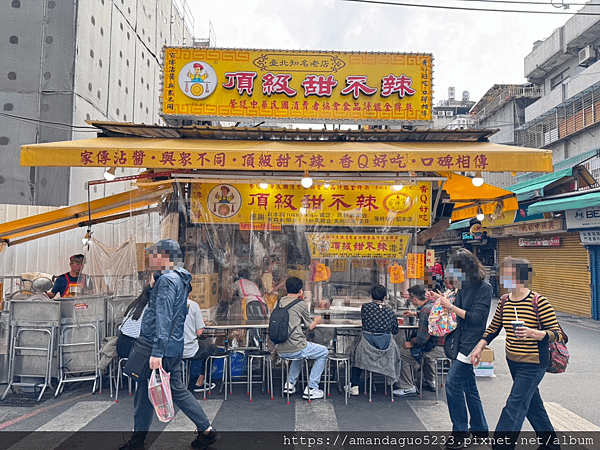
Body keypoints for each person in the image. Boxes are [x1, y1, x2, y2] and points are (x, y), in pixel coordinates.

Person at [118, 239, 218, 450]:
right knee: (172, 390)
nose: (152, 259)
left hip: (157, 346)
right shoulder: (180, 278)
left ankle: (138, 442)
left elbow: (164, 317)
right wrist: (152, 285)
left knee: (149, 391)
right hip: (173, 345)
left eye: (155, 255)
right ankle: (206, 430)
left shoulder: (167, 281)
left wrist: (157, 351)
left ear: (165, 256)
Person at [471, 257, 562, 450]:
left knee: (515, 404)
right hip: (513, 361)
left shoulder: (539, 302)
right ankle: (551, 445)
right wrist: (479, 347)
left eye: (508, 274)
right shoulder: (504, 301)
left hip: (534, 362)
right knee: (533, 404)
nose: (503, 278)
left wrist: (534, 333)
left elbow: (558, 334)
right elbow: (493, 328)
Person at [439, 249, 492, 449]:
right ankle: (479, 429)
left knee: (452, 384)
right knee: (469, 386)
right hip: (460, 341)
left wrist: (450, 307)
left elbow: (477, 319)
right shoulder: (462, 287)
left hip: (472, 343)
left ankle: (460, 433)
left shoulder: (484, 288)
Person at [274, 276, 328, 400]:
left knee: (300, 353)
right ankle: (312, 388)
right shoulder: (301, 303)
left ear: (286, 289)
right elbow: (310, 326)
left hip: (280, 347)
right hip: (295, 347)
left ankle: (290, 383)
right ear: (300, 291)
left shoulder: (279, 301)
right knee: (323, 352)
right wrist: (317, 319)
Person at [345, 284, 399, 396]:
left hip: (366, 348)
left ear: (371, 296)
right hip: (386, 349)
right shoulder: (390, 311)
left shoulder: (365, 307)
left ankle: (354, 385)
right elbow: (395, 330)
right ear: (385, 297)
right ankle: (392, 382)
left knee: (357, 353)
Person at [395, 284, 445, 396]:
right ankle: (431, 381)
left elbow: (422, 339)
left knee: (403, 354)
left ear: (415, 299)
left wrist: (411, 344)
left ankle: (407, 386)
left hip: (436, 348)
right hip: (444, 344)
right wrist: (414, 313)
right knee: (426, 353)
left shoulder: (425, 310)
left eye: (411, 300)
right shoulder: (432, 305)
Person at [184, 296, 217, 393]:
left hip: (173, 350)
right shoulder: (193, 305)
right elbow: (199, 332)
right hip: (190, 350)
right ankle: (200, 380)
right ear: (189, 293)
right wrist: (200, 322)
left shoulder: (168, 304)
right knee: (212, 348)